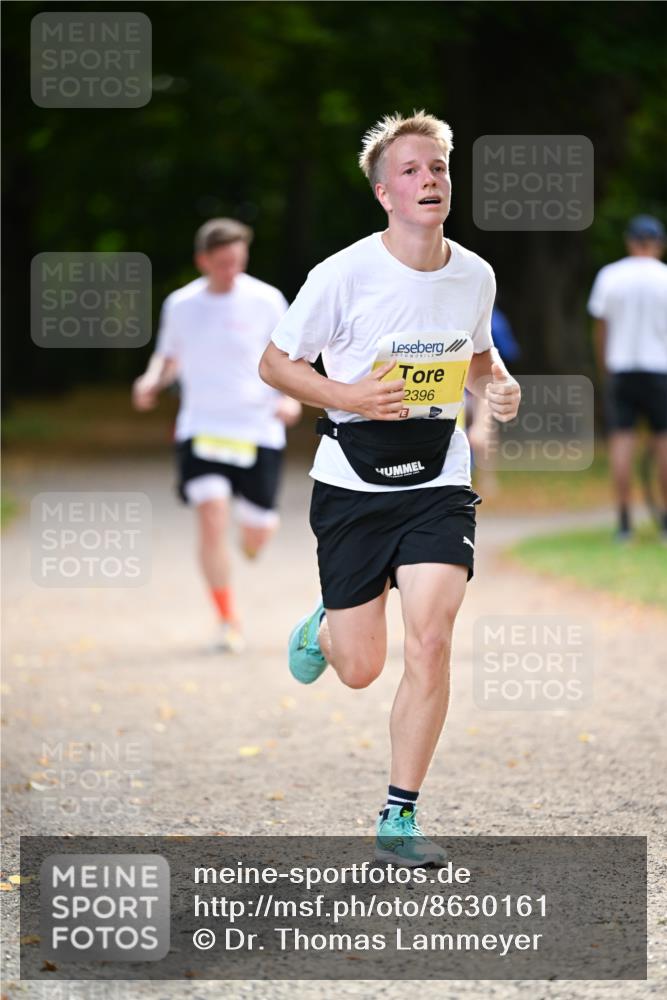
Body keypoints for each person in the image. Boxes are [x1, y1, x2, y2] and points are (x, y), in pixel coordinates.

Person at [259, 111, 520, 864]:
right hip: (350, 481)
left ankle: (398, 816)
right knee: (361, 668)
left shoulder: (474, 273)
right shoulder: (340, 275)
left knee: (432, 642)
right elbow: (275, 365)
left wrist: (498, 388)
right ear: (384, 193)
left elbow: (476, 360)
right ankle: (324, 628)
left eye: (436, 167)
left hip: (437, 477)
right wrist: (347, 395)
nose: (428, 179)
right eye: (410, 170)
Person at [133, 218, 301, 651]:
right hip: (202, 426)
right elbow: (167, 357)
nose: (231, 270)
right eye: (223, 263)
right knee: (210, 516)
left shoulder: (266, 299)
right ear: (202, 260)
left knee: (257, 530)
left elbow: (288, 358)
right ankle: (227, 619)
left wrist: (291, 398)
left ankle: (251, 541)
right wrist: (151, 380)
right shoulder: (181, 304)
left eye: (238, 261)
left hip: (257, 428)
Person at [588, 215, 667, 541]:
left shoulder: (611, 276)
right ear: (659, 243)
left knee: (622, 443)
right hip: (660, 369)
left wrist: (604, 365)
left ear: (630, 241)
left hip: (621, 367)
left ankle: (623, 522)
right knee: (663, 443)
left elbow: (601, 327)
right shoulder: (665, 277)